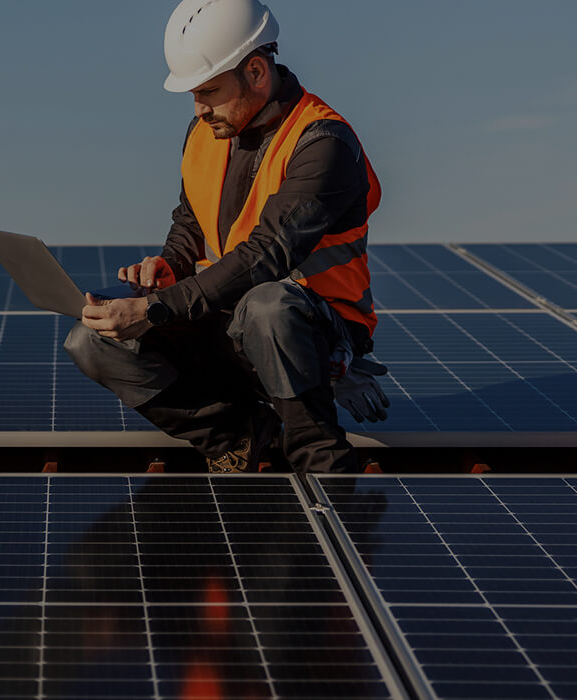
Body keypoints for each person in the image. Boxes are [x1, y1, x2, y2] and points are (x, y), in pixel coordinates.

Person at [64, 0, 389, 474]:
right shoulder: (206, 131)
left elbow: (265, 258)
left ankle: (317, 459)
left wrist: (157, 308)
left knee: (269, 306)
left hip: (316, 328)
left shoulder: (323, 143)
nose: (199, 108)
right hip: (227, 314)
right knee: (90, 341)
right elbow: (190, 222)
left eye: (209, 91)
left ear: (257, 72)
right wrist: (170, 265)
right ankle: (239, 440)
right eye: (194, 94)